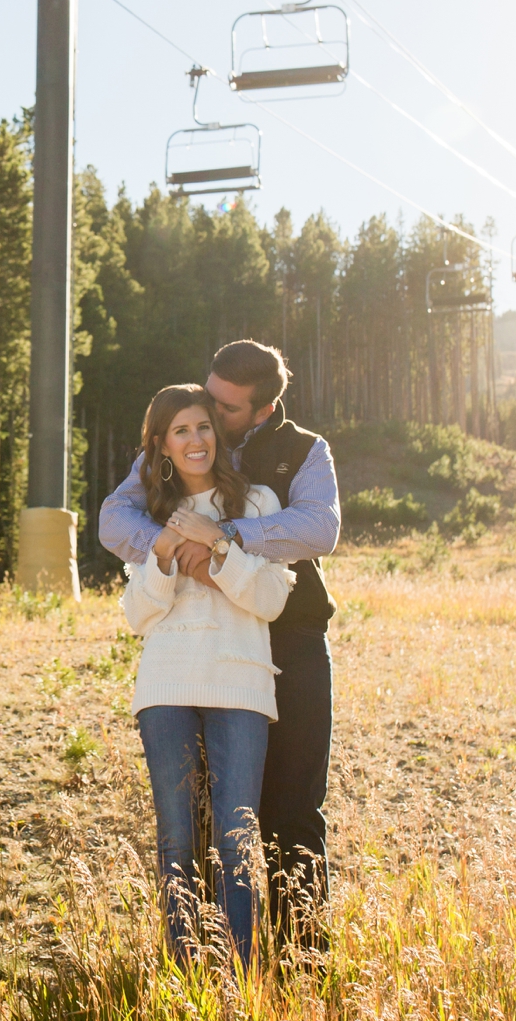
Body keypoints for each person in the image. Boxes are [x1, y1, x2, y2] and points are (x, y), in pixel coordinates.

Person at [101, 339, 340, 952]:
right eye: (207, 394)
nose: (207, 412)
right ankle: (208, 955)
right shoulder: (185, 442)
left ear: (260, 411)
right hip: (199, 646)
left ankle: (298, 957)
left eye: (224, 409)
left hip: (290, 639)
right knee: (199, 813)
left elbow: (319, 528)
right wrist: (173, 547)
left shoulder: (304, 452)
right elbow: (117, 517)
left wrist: (223, 535)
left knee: (292, 805)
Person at [119, 383, 290, 970]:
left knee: (236, 841)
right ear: (162, 446)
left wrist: (216, 548)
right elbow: (137, 614)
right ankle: (186, 978)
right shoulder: (145, 515)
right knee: (177, 843)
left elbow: (270, 600)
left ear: (218, 436)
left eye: (204, 428)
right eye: (182, 431)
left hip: (239, 684)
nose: (196, 440)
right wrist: (166, 550)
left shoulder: (259, 503)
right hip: (166, 685)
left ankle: (240, 977)